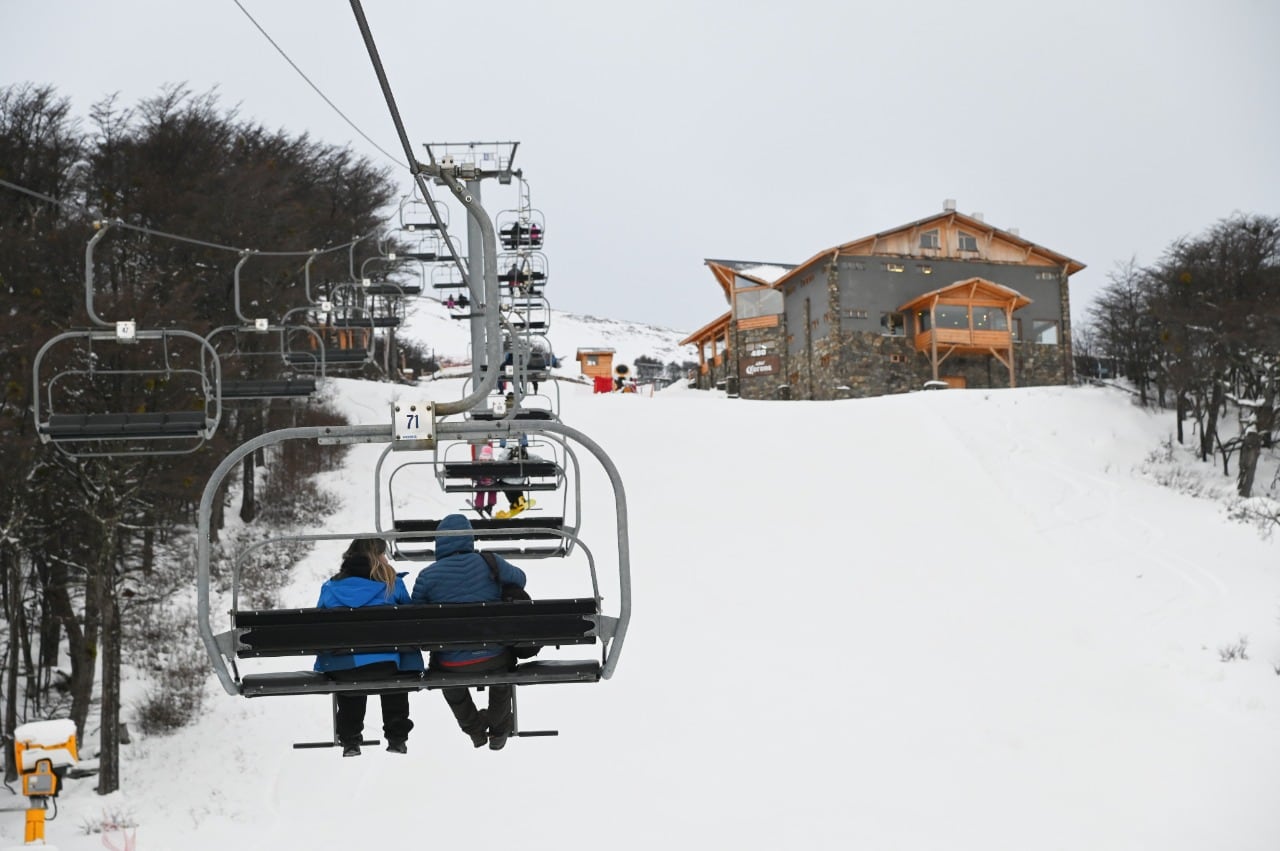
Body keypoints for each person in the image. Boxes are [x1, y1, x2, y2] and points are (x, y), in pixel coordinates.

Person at [411, 514, 528, 750]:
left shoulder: (427, 576)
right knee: (501, 680)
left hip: (450, 663)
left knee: (451, 685)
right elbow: (521, 580)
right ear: (470, 538)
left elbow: (415, 618)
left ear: (439, 542)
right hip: (494, 655)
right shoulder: (490, 562)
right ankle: (499, 732)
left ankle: (474, 730)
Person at [313, 537, 424, 757]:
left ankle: (350, 739)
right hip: (388, 666)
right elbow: (413, 623)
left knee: (349, 675)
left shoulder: (331, 588)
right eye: (384, 554)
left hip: (345, 669)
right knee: (394, 671)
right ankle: (397, 736)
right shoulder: (393, 585)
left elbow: (318, 628)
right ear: (376, 558)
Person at [471, 443, 498, 518]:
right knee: (493, 490)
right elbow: (497, 474)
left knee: (480, 490)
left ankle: (479, 506)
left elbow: (474, 475)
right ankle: (490, 505)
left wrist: (476, 479)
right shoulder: (493, 462)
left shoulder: (479, 461)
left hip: (481, 483)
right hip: (492, 483)